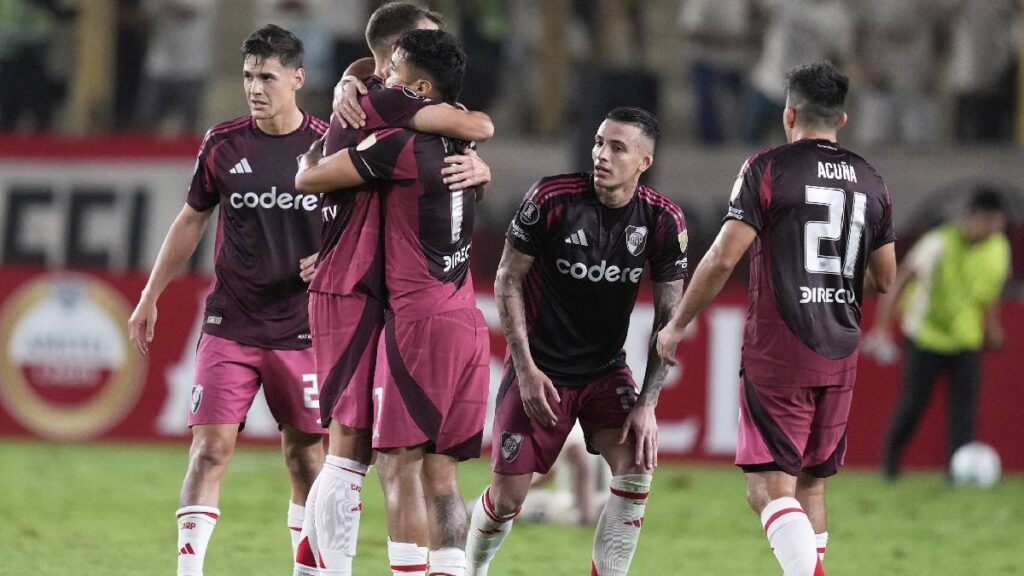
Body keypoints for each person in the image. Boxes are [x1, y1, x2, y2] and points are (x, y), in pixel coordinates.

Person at [657, 62, 897, 576]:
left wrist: (677, 323)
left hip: (782, 346)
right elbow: (885, 277)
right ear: (843, 119)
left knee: (767, 486)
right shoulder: (872, 179)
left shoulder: (767, 168)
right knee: (812, 483)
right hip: (841, 347)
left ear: (789, 114)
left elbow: (723, 257)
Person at [292, 4, 493, 575]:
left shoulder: (407, 123)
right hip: (358, 289)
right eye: (425, 42)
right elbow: (475, 126)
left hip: (404, 305)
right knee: (355, 450)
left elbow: (313, 174)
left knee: (380, 459)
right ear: (397, 55)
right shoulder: (376, 105)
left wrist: (484, 169)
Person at [127, 25, 327, 576]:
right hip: (231, 324)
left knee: (308, 461)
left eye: (267, 76)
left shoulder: (330, 145)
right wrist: (150, 294)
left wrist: (335, 262)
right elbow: (192, 219)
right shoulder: (223, 143)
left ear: (297, 78)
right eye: (247, 76)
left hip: (307, 328)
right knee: (209, 450)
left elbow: (368, 224)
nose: (255, 88)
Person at [464, 106, 689, 576]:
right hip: (541, 369)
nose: (602, 155)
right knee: (508, 500)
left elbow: (671, 319)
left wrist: (647, 403)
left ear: (645, 161)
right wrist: (524, 368)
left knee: (635, 468)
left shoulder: (662, 220)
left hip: (605, 371)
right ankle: (471, 569)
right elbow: (507, 277)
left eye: (618, 148)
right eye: (599, 142)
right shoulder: (552, 198)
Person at [864, 188, 1010, 480]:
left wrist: (991, 327)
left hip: (966, 338)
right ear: (976, 217)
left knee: (963, 413)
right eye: (992, 222)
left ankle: (958, 473)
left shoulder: (998, 249)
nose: (996, 229)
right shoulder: (939, 242)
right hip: (924, 335)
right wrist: (881, 327)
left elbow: (988, 293)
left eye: (1000, 224)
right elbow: (901, 277)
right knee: (914, 403)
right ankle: (890, 465)